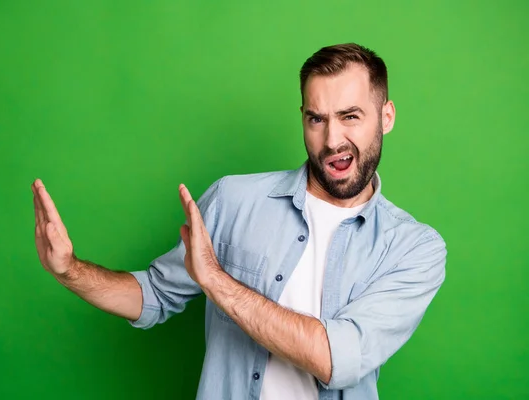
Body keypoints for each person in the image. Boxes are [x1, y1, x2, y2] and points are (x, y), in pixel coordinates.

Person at [31, 43, 447, 400]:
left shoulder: (414, 249)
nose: (332, 139)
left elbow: (336, 358)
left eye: (350, 116)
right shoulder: (234, 199)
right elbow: (154, 294)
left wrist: (216, 280)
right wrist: (70, 270)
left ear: (386, 116)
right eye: (316, 119)